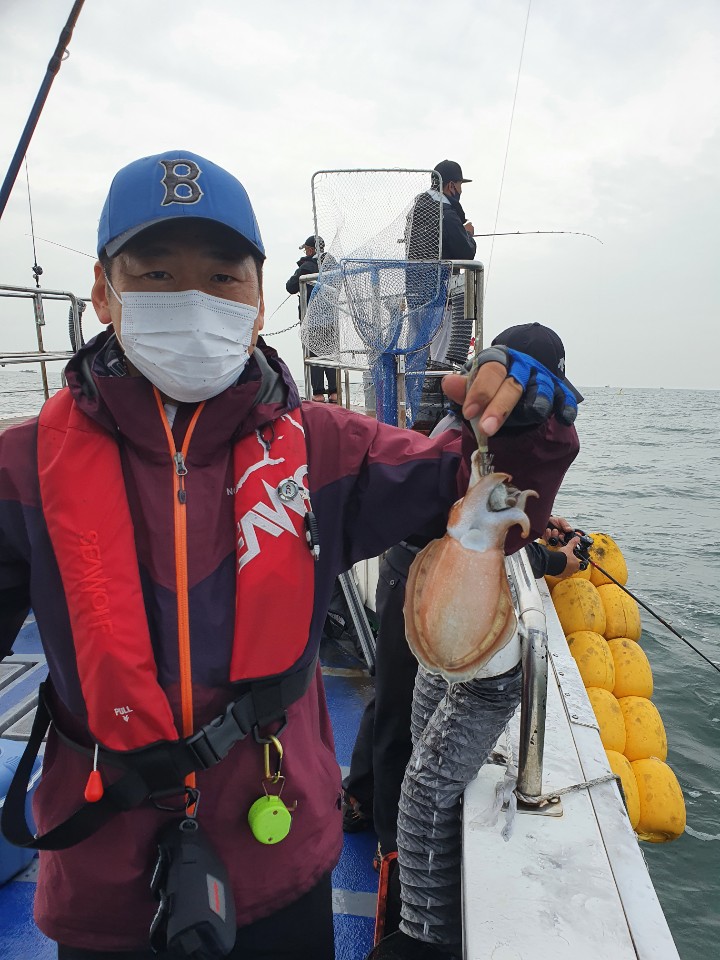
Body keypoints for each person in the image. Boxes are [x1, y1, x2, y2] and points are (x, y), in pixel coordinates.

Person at [0, 149, 578, 960]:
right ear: (104, 291)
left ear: (258, 298)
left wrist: (525, 418)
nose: (193, 300)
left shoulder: (327, 448)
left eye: (223, 277)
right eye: (157, 275)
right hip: (103, 869)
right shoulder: (20, 469)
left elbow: (475, 482)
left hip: (277, 854)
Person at [342, 323, 584, 859]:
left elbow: (483, 510)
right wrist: (554, 559)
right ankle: (391, 847)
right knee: (398, 711)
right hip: (428, 575)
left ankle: (359, 795)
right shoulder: (492, 437)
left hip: (410, 569)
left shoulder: (461, 426)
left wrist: (535, 522)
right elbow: (481, 538)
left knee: (389, 696)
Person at [286, 235, 337, 402]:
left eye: (306, 249)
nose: (306, 252)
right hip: (331, 319)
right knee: (330, 354)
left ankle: (318, 394)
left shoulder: (306, 266)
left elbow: (290, 286)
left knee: (314, 355)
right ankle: (335, 392)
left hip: (312, 320)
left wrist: (303, 269)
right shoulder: (333, 265)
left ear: (311, 250)